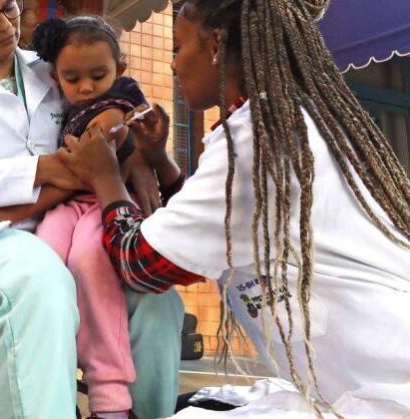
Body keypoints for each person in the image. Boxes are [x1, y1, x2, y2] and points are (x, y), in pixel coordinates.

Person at [58, 0, 410, 417]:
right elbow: (225, 229)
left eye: (178, 47)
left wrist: (104, 178)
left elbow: (139, 264)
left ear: (214, 45)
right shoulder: (294, 123)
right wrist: (161, 162)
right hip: (359, 380)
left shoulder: (256, 142)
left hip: (379, 396)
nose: (172, 65)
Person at [0, 1, 185, 417]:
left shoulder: (52, 68)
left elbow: (118, 105)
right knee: (37, 281)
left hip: (64, 229)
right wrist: (48, 169)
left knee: (156, 299)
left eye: (9, 8)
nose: (4, 24)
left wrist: (137, 155)